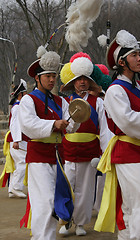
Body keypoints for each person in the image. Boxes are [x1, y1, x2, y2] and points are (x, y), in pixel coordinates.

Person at [18, 46, 80, 240]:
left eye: (54, 76)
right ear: (37, 78)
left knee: (54, 202)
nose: (52, 80)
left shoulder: (60, 101)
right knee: (44, 203)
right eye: (48, 76)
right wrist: (54, 124)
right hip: (38, 156)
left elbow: (70, 126)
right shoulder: (28, 100)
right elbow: (28, 125)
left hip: (57, 156)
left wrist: (77, 116)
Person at [94, 30, 140, 240]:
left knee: (133, 206)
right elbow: (129, 123)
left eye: (139, 53)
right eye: (134, 55)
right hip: (127, 153)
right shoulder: (116, 90)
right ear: (122, 62)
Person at [59, 52, 113, 236]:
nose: (82, 82)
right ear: (73, 82)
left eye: (85, 79)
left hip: (90, 152)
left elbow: (104, 129)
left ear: (90, 81)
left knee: (86, 189)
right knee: (68, 187)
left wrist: (104, 153)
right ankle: (65, 221)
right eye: (78, 79)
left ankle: (81, 223)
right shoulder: (66, 102)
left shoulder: (98, 102)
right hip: (68, 151)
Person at [7, 79, 27, 198]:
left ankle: (12, 188)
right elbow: (14, 124)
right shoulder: (18, 107)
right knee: (22, 163)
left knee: (18, 163)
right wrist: (16, 140)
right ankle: (16, 187)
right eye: (25, 93)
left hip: (17, 139)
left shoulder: (18, 106)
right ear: (21, 94)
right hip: (17, 140)